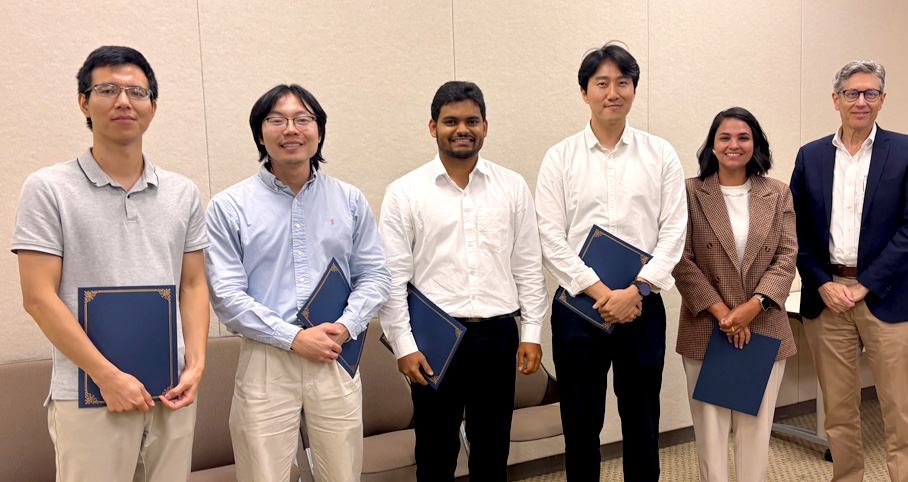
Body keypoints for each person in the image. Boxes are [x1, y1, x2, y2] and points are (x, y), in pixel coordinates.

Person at [12, 46, 209, 482]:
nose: (124, 101)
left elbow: (193, 285)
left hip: (171, 390)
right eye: (107, 89)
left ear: (153, 107)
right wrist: (107, 376)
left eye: (136, 92)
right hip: (88, 391)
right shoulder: (48, 188)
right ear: (84, 101)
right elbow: (38, 298)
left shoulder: (183, 192)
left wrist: (195, 365)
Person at [205, 84, 390, 482]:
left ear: (318, 132)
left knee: (342, 473)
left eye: (303, 119)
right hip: (267, 358)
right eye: (277, 120)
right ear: (260, 133)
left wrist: (346, 326)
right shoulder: (228, 207)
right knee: (264, 474)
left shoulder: (350, 199)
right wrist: (292, 337)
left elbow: (375, 275)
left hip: (335, 351)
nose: (291, 129)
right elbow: (226, 295)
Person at [378, 80, 549, 481]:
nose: (462, 129)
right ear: (432, 126)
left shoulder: (512, 186)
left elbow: (527, 265)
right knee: (435, 452)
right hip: (436, 339)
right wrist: (404, 344)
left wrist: (533, 333)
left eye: (472, 120)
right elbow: (393, 279)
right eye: (450, 121)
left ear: (486, 127)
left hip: (498, 335)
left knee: (492, 449)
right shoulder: (404, 192)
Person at [536, 42, 687, 481]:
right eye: (601, 83)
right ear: (585, 92)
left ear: (634, 90)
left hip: (642, 306)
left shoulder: (660, 154)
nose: (612, 92)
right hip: (579, 309)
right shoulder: (559, 158)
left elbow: (674, 232)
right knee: (580, 424)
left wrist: (636, 291)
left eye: (622, 82)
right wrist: (603, 294)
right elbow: (550, 238)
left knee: (643, 419)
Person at [790, 60, 908, 482]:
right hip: (828, 297)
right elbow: (794, 229)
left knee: (901, 416)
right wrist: (822, 281)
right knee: (838, 414)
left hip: (889, 296)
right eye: (852, 93)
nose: (861, 101)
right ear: (836, 99)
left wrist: (864, 285)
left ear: (882, 100)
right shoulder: (811, 156)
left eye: (871, 93)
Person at [673, 107, 797, 482]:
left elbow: (787, 254)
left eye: (743, 137)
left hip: (765, 326)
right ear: (712, 145)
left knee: (756, 430)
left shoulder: (777, 193)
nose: (734, 145)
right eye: (725, 137)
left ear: (755, 143)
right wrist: (727, 314)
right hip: (707, 327)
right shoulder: (690, 192)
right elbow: (680, 258)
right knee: (711, 433)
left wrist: (751, 308)